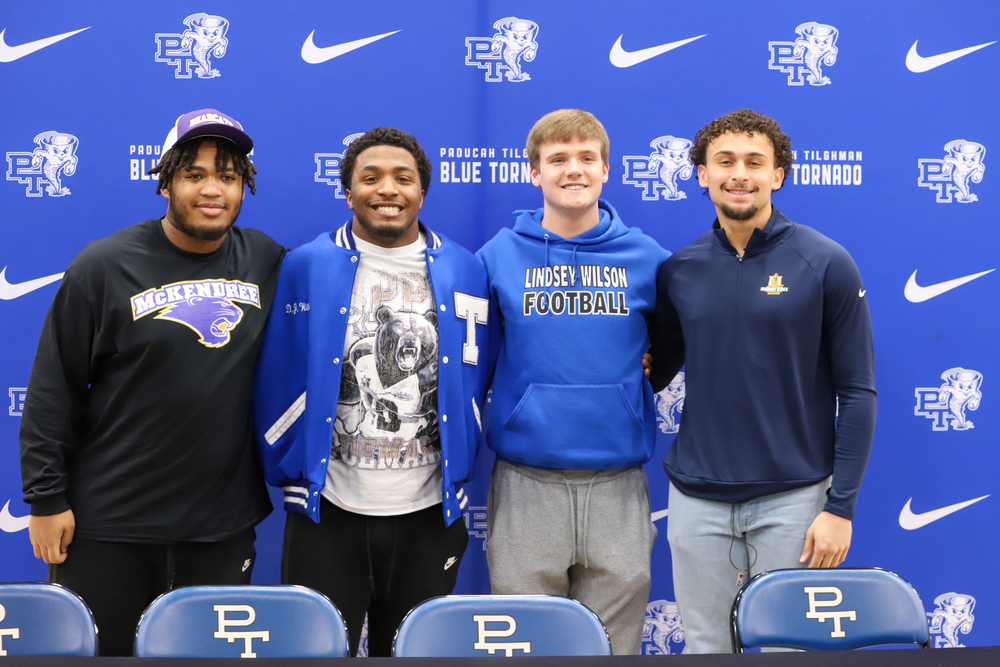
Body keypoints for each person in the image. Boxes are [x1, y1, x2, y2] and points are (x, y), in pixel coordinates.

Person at [19, 109, 284, 656]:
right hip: (109, 525)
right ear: (165, 181)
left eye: (228, 176)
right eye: (195, 174)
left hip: (221, 527)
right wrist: (45, 500)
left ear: (244, 187)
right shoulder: (104, 265)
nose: (212, 189)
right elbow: (53, 388)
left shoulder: (266, 260)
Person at [252, 127, 496, 657]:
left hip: (431, 512)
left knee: (413, 654)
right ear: (348, 192)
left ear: (422, 193)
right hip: (328, 510)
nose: (388, 189)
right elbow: (273, 368)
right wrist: (289, 457)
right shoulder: (304, 265)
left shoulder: (466, 268)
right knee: (314, 653)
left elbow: (484, 371)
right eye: (371, 177)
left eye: (403, 178)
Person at [652, 109, 877, 653]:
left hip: (794, 502)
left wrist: (839, 508)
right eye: (724, 161)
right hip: (696, 500)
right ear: (701, 173)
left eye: (756, 162)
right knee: (707, 647)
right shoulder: (679, 270)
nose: (739, 174)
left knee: (786, 651)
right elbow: (652, 369)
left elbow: (859, 392)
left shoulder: (825, 262)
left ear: (779, 175)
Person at [476, 109, 671, 655]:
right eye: (557, 159)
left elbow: (676, 342)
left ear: (607, 169)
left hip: (618, 482)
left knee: (614, 645)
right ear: (533, 173)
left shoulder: (648, 258)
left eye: (587, 158)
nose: (573, 170)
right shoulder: (496, 257)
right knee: (526, 644)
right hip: (525, 479)